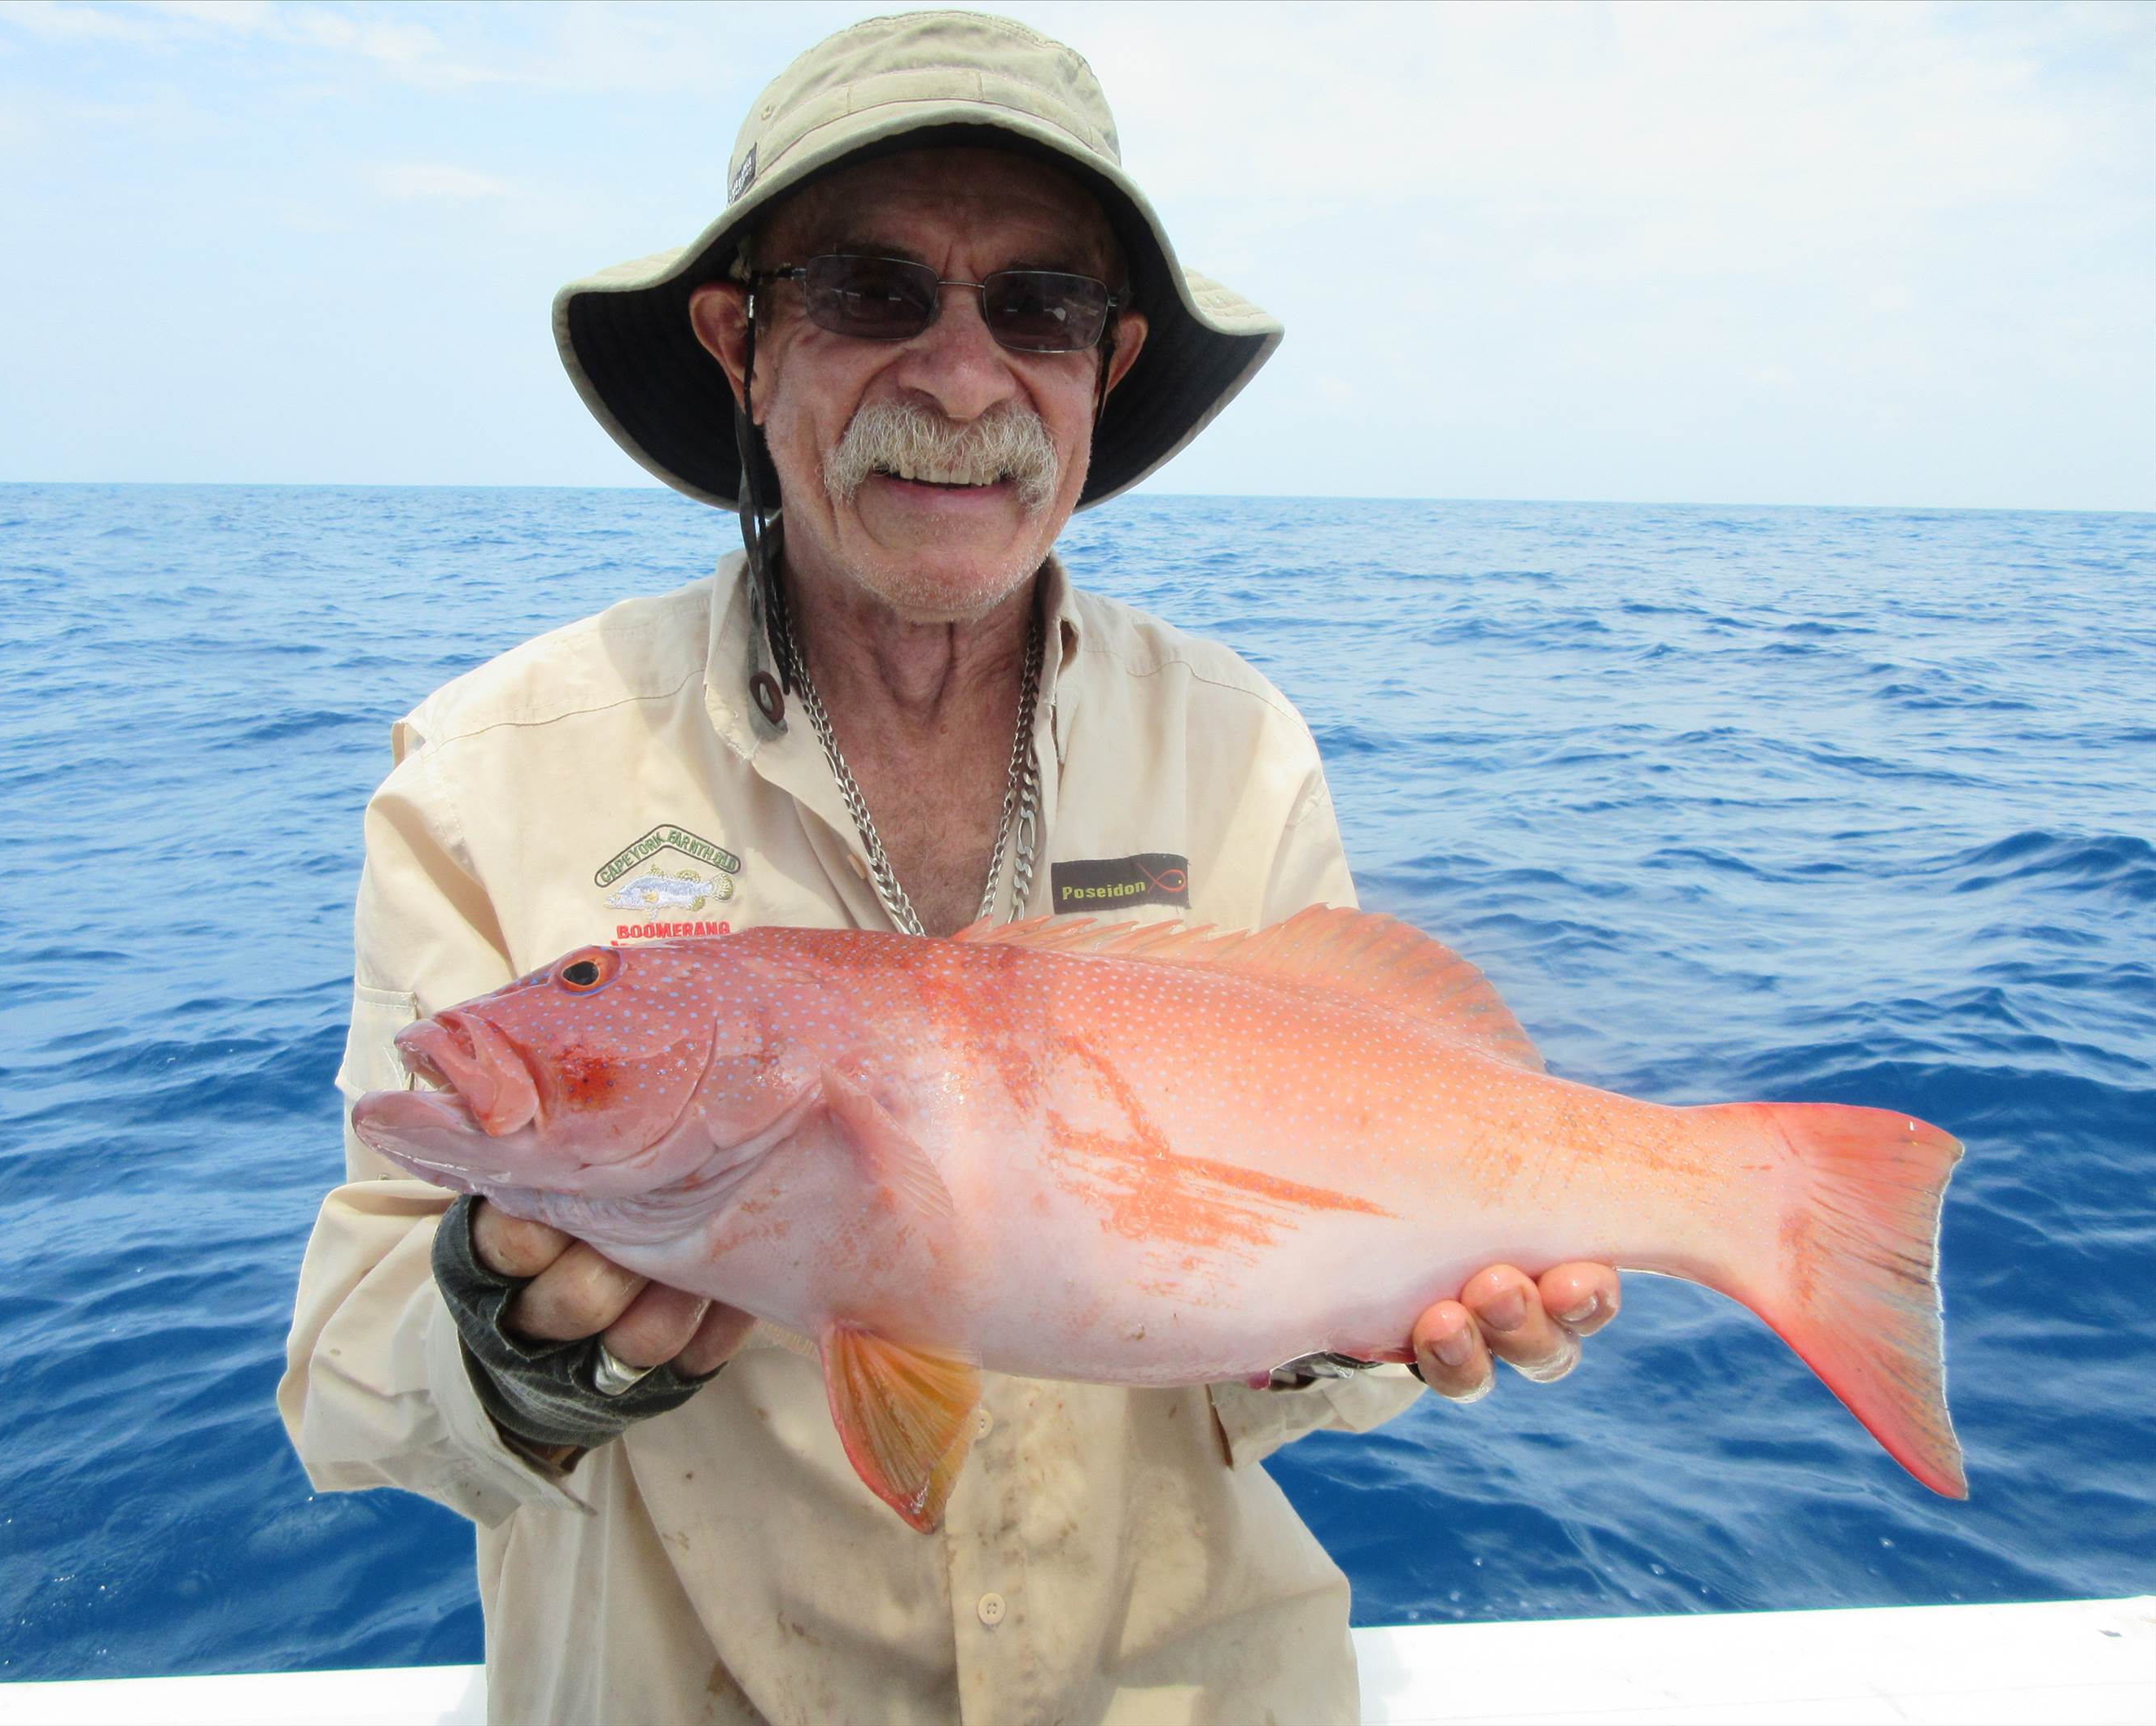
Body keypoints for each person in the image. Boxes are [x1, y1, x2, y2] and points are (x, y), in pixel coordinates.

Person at [280, 13, 1621, 1724]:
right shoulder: (487, 771)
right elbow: (346, 1386)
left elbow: (1301, 1364)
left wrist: (1355, 1337)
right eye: (869, 289)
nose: (964, 375)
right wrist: (511, 1341)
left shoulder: (1236, 743)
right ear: (738, 344)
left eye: (1041, 308)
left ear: (1102, 370)